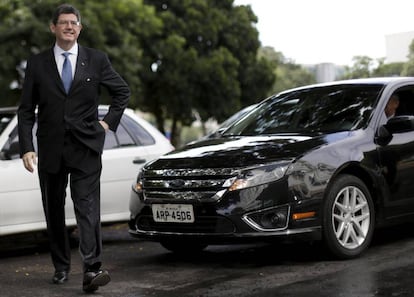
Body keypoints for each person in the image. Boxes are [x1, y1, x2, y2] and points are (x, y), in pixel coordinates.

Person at [17, 4, 130, 293]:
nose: (69, 26)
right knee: (53, 209)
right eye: (63, 23)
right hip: (50, 149)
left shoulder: (96, 60)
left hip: (85, 147)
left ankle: (92, 269)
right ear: (53, 27)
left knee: (87, 208)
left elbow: (122, 92)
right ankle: (61, 266)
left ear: (80, 28)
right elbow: (27, 109)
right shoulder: (37, 63)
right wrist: (27, 147)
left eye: (74, 23)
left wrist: (106, 125)